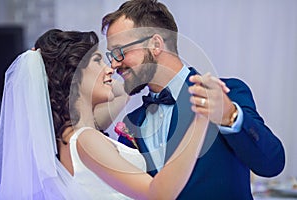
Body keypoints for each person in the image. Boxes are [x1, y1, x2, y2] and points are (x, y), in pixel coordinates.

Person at [101, 0, 285, 199]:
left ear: (155, 44)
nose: (114, 64)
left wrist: (230, 116)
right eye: (111, 55)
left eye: (120, 51)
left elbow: (271, 164)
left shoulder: (226, 94)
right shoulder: (132, 124)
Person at [0, 29, 210, 199]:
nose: (111, 68)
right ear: (74, 75)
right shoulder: (86, 140)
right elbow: (158, 194)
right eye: (98, 60)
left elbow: (122, 90)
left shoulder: (70, 140)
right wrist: (201, 119)